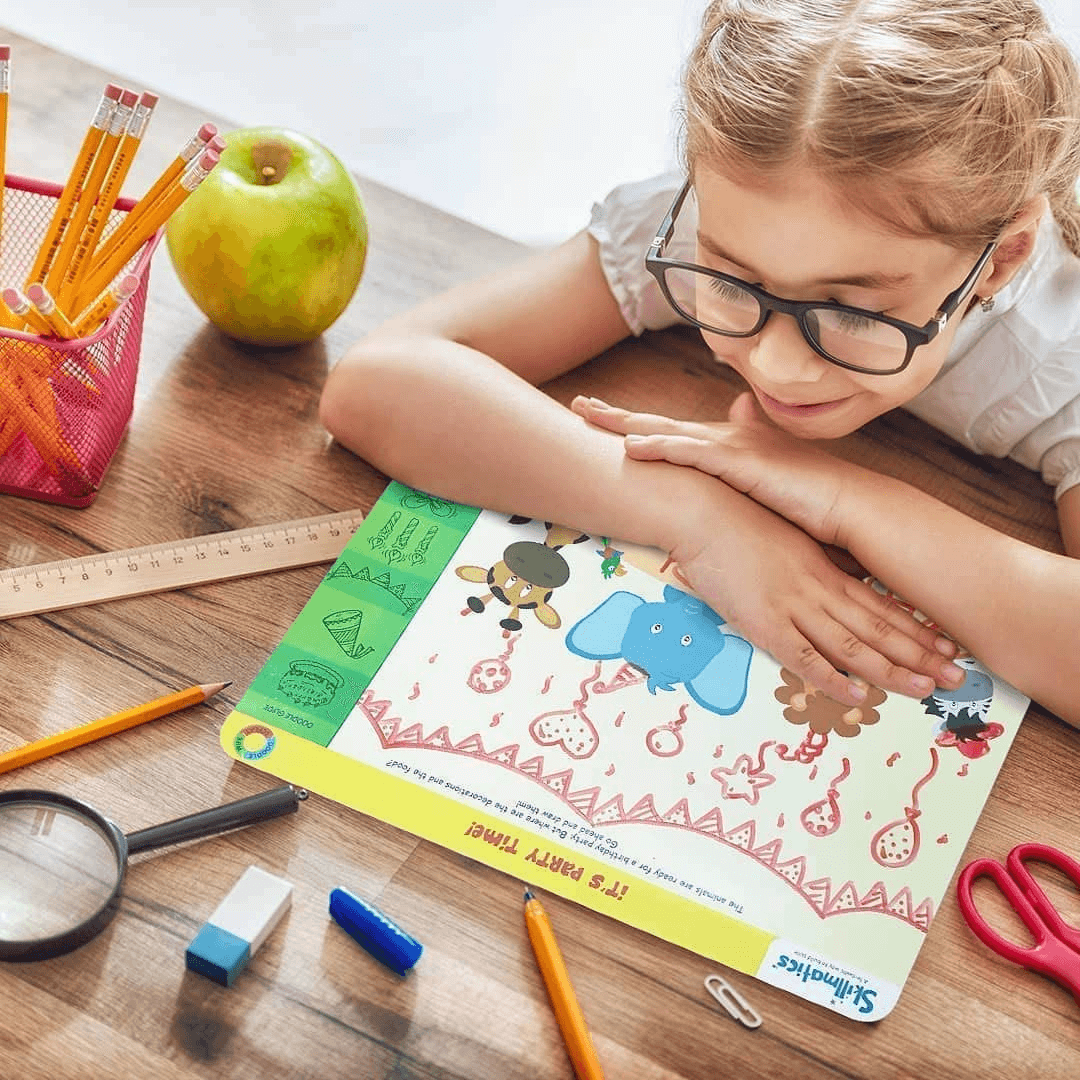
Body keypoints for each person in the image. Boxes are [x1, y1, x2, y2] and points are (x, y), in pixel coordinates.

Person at [319, 0, 1080, 718]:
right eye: (734, 281)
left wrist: (847, 501)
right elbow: (378, 382)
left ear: (1000, 261)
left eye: (853, 312)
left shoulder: (1062, 345)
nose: (778, 366)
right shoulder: (716, 211)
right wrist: (697, 515)